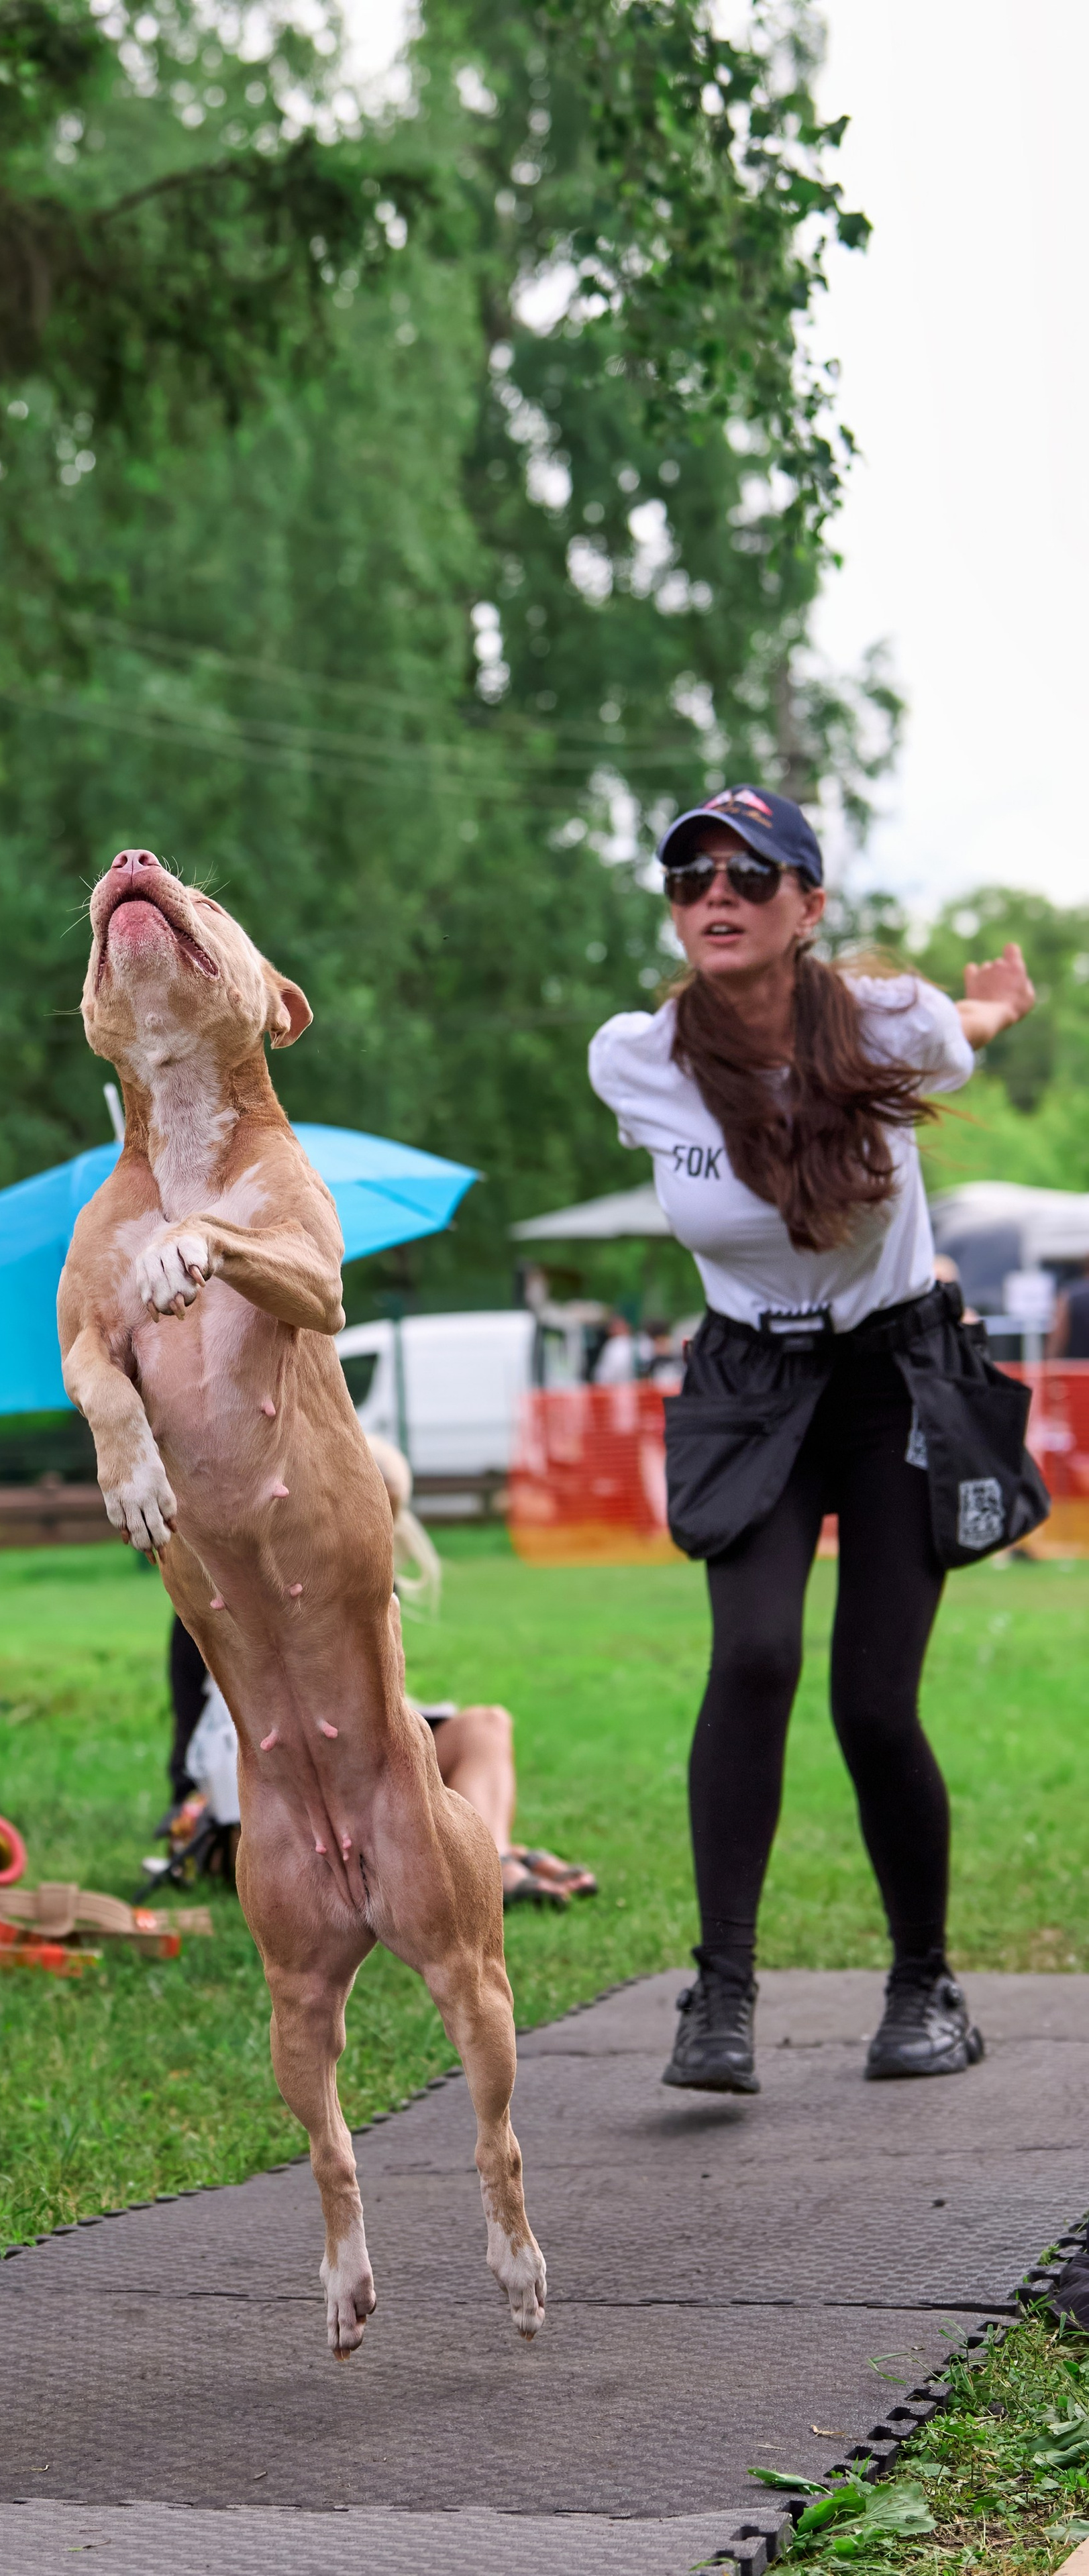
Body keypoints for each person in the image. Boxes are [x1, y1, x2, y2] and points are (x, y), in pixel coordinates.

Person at [588, 784, 1043, 2094]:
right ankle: (717, 1996)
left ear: (806, 906)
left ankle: (924, 1987)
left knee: (869, 1701)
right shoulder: (635, 1057)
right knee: (751, 1658)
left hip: (892, 1377)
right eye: (690, 880)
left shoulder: (886, 1021)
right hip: (748, 1379)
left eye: (746, 875)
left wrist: (1000, 1009)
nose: (714, 898)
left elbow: (953, 1026)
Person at [364, 1434, 595, 1906]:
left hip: (371, 1753)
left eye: (383, 1517)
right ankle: (499, 1862)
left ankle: (496, 1858)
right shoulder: (250, 1573)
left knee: (487, 1726)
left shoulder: (376, 1583)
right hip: (283, 1775)